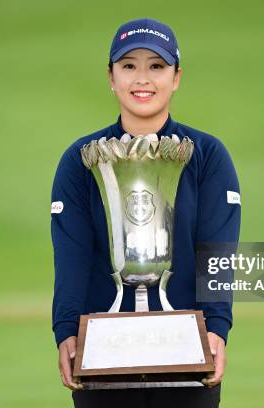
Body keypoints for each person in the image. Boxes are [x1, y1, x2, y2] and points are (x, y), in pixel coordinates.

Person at [51, 18, 241, 408]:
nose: (143, 79)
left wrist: (217, 328)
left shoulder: (207, 155)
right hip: (101, 354)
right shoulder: (80, 160)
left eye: (156, 66)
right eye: (129, 66)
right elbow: (70, 255)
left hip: (188, 351)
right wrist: (66, 329)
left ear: (176, 77)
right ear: (111, 76)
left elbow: (217, 251)